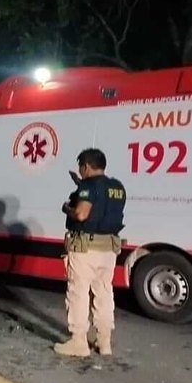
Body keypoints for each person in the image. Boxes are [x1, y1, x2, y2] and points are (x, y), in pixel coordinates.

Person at [55, 147, 126, 358]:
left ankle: (78, 343)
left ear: (85, 166)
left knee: (78, 292)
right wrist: (81, 185)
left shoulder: (88, 185)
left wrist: (67, 208)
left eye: (81, 167)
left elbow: (82, 213)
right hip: (109, 249)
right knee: (104, 292)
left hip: (86, 248)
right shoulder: (117, 187)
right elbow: (102, 201)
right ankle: (104, 342)